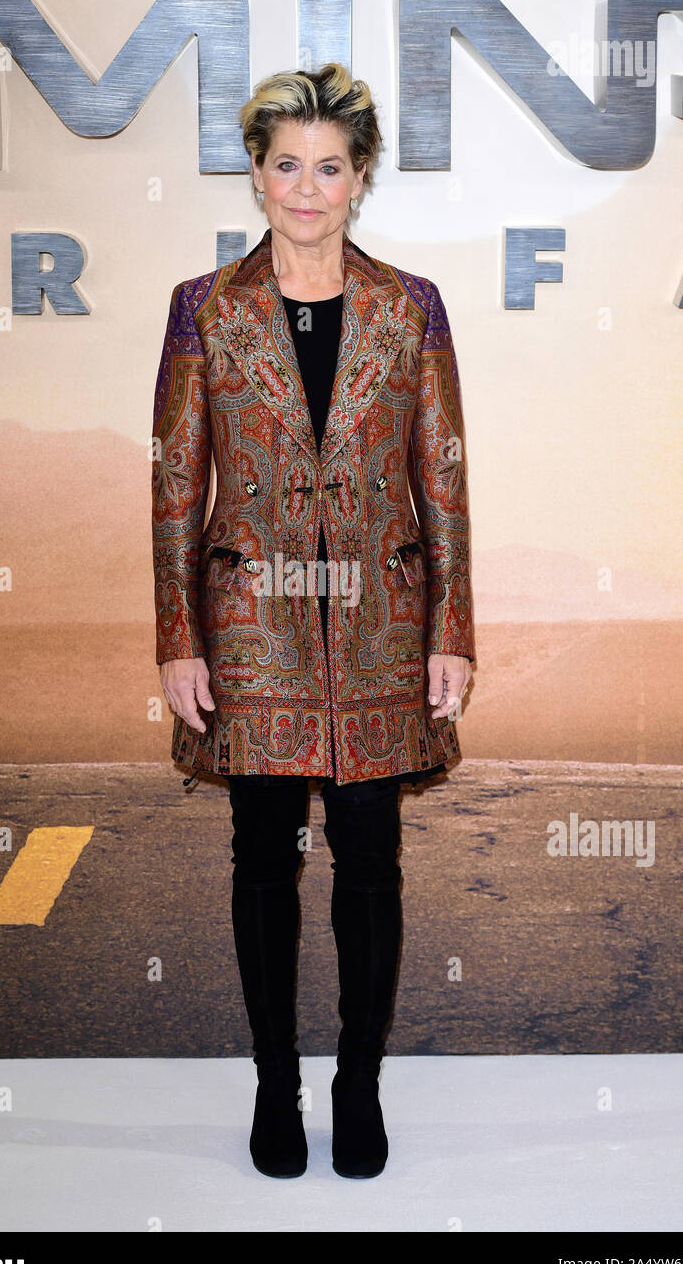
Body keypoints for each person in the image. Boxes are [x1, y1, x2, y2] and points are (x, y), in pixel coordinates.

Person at [152, 63, 474, 1179]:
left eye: (327, 167)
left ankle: (358, 1083)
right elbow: (174, 488)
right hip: (254, 631)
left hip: (383, 628)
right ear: (256, 173)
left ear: (360, 179)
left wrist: (451, 629)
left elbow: (443, 481)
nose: (305, 187)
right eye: (285, 163)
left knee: (372, 862)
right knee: (260, 859)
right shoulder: (204, 308)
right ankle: (277, 1084)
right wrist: (177, 637)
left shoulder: (410, 307)